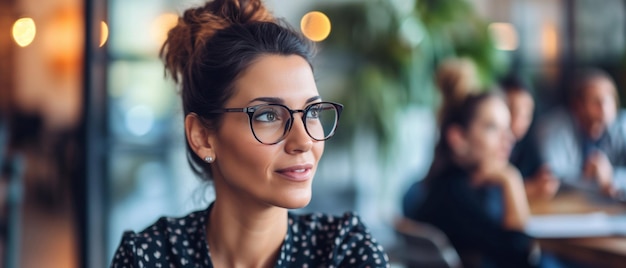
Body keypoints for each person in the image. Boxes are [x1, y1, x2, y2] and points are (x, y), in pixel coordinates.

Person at [110, 0, 389, 267]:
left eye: (312, 113)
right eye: (269, 115)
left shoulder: (345, 252)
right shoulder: (147, 258)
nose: (304, 141)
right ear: (202, 137)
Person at [404, 92, 539, 268]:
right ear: (458, 138)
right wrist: (511, 178)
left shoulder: (446, 183)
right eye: (492, 127)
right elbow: (523, 257)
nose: (508, 138)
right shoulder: (453, 194)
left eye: (506, 128)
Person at [537, 68, 626, 197]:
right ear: (578, 106)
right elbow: (553, 179)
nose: (604, 108)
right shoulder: (554, 128)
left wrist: (611, 176)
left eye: (609, 100)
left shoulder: (622, 126)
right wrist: (591, 179)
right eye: (596, 102)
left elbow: (609, 182)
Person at [501, 76, 559, 200]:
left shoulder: (527, 140)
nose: (521, 120)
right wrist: (529, 189)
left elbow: (542, 173)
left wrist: (547, 179)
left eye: (527, 113)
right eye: (513, 110)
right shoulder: (489, 147)